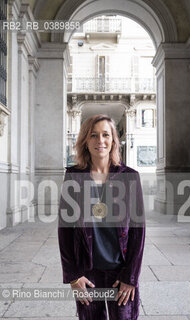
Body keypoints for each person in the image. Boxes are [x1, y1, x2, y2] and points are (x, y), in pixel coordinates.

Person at [58, 114, 146, 320]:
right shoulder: (73, 176)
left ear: (114, 140)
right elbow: (65, 231)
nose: (100, 141)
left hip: (121, 273)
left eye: (106, 134)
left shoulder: (129, 177)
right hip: (87, 273)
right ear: (85, 141)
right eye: (93, 135)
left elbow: (138, 232)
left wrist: (131, 277)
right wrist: (73, 277)